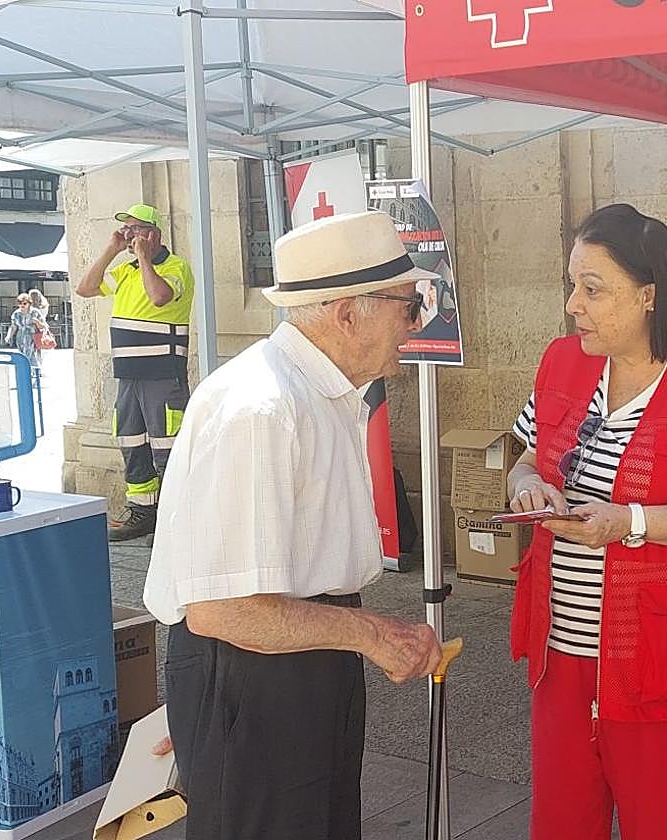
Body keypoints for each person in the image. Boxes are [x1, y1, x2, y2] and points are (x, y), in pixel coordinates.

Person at [142, 211, 444, 840]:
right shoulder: (262, 406)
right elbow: (225, 611)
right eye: (407, 306)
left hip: (300, 655)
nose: (415, 324)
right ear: (346, 313)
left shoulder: (318, 394)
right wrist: (372, 634)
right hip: (254, 666)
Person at [506, 204, 667, 840]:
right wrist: (526, 487)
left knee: (660, 822)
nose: (575, 304)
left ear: (649, 294)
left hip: (660, 655)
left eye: (593, 289)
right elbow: (523, 454)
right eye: (572, 285)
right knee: (563, 821)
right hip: (562, 650)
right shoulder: (564, 363)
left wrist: (630, 521)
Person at [76, 203, 194, 542]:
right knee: (133, 444)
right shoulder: (126, 271)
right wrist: (111, 249)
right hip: (128, 376)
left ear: (153, 233)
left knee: (168, 449)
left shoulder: (176, 268)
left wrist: (144, 257)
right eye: (126, 230)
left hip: (161, 376)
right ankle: (143, 513)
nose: (129, 236)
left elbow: (159, 297)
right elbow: (85, 288)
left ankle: (177, 520)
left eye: (135, 230)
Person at [5, 292, 47, 369]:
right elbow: (13, 327)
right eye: (20, 303)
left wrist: (37, 322)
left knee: (32, 355)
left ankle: (34, 372)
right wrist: (8, 336)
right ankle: (26, 372)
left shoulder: (35, 312)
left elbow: (44, 326)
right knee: (23, 355)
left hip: (33, 336)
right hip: (20, 337)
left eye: (24, 303)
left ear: (29, 303)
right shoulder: (16, 314)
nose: (22, 305)